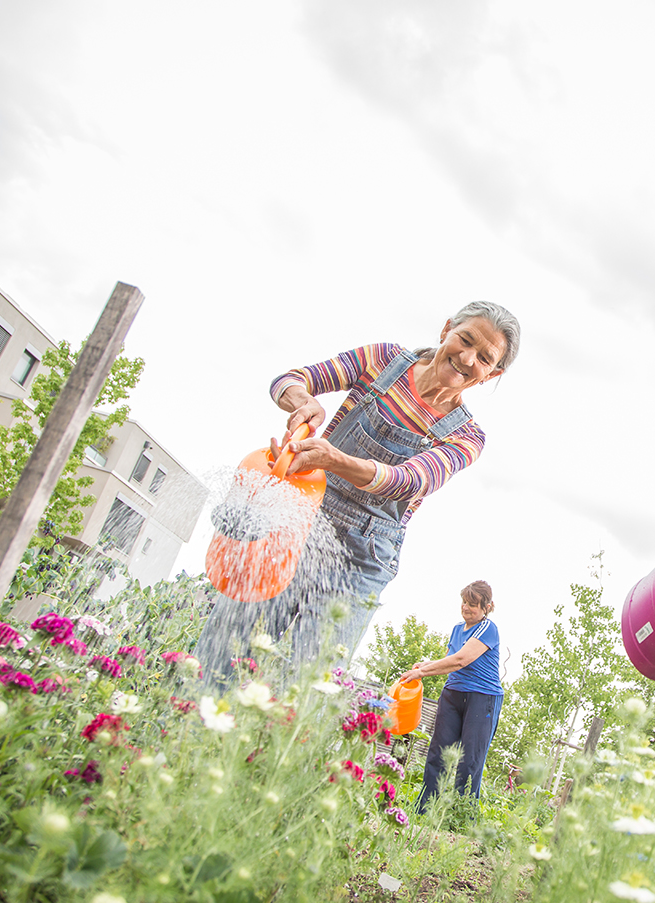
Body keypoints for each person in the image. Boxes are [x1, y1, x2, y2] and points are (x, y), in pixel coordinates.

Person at [195, 302, 521, 680]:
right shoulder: (383, 361)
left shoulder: (467, 437)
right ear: (447, 328)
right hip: (298, 523)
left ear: (490, 374)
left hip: (362, 558)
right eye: (465, 340)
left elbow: (409, 481)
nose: (467, 358)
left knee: (306, 687)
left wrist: (334, 460)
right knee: (224, 650)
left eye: (483, 358)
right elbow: (290, 379)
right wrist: (304, 403)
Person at [401, 580, 504, 812]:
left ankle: (461, 815)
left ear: (487, 607)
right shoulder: (458, 629)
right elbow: (448, 660)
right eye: (464, 602)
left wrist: (422, 671)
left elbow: (461, 660)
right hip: (453, 694)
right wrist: (425, 665)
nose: (466, 608)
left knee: (470, 761)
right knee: (438, 752)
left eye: (473, 605)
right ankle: (424, 808)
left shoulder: (488, 629)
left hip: (482, 697)